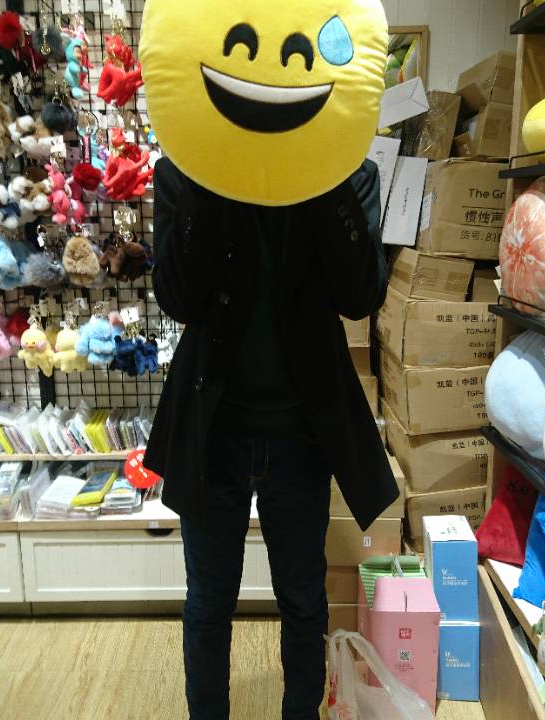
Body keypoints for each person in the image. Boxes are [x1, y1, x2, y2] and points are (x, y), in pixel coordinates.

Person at [143, 155, 399, 720]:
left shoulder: (349, 173)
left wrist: (328, 181)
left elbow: (361, 295)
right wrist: (209, 179)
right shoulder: (184, 172)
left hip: (302, 435)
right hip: (213, 432)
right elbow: (176, 298)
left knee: (303, 600)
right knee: (209, 601)